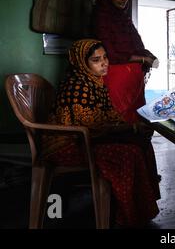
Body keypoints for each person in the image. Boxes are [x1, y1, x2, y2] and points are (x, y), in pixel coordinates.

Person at [42, 39, 160, 228]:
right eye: (96, 60)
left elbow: (109, 115)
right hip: (67, 145)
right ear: (81, 62)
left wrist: (133, 127)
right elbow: (92, 124)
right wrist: (130, 128)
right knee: (127, 153)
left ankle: (140, 209)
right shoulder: (77, 86)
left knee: (140, 142)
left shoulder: (96, 82)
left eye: (105, 57)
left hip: (86, 139)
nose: (104, 63)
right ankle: (125, 216)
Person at [92, 0, 158, 123]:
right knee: (120, 123)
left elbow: (137, 45)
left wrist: (149, 56)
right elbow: (110, 54)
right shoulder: (101, 17)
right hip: (114, 78)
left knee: (137, 123)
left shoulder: (124, 18)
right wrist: (142, 59)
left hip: (133, 79)